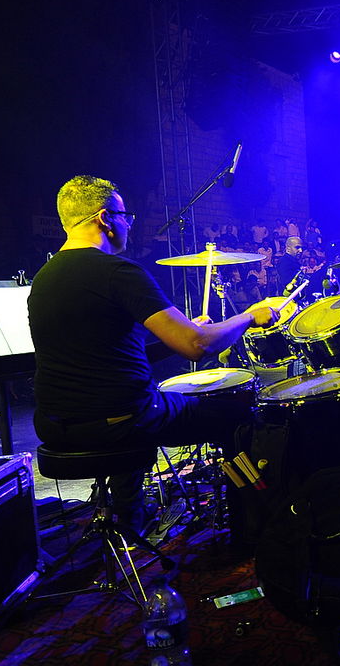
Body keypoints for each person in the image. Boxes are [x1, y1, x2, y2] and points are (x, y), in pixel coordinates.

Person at [28, 175, 280, 534]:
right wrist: (250, 316)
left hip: (56, 426)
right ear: (105, 218)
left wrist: (182, 332)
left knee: (127, 399)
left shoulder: (45, 278)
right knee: (239, 414)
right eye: (125, 215)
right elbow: (198, 346)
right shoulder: (117, 272)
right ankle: (250, 530)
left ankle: (130, 517)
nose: (129, 224)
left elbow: (109, 358)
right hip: (121, 422)